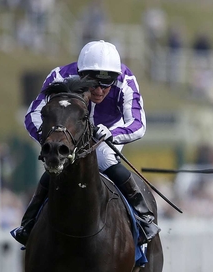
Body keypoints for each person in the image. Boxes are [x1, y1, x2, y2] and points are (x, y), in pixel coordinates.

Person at [13, 40, 158, 246]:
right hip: (68, 134)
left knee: (105, 157)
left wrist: (112, 134)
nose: (99, 90)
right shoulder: (59, 76)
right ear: (81, 73)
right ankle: (28, 222)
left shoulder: (126, 81)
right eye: (92, 82)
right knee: (56, 165)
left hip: (107, 132)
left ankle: (143, 216)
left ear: (116, 76)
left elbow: (138, 124)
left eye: (107, 82)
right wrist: (51, 139)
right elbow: (33, 114)